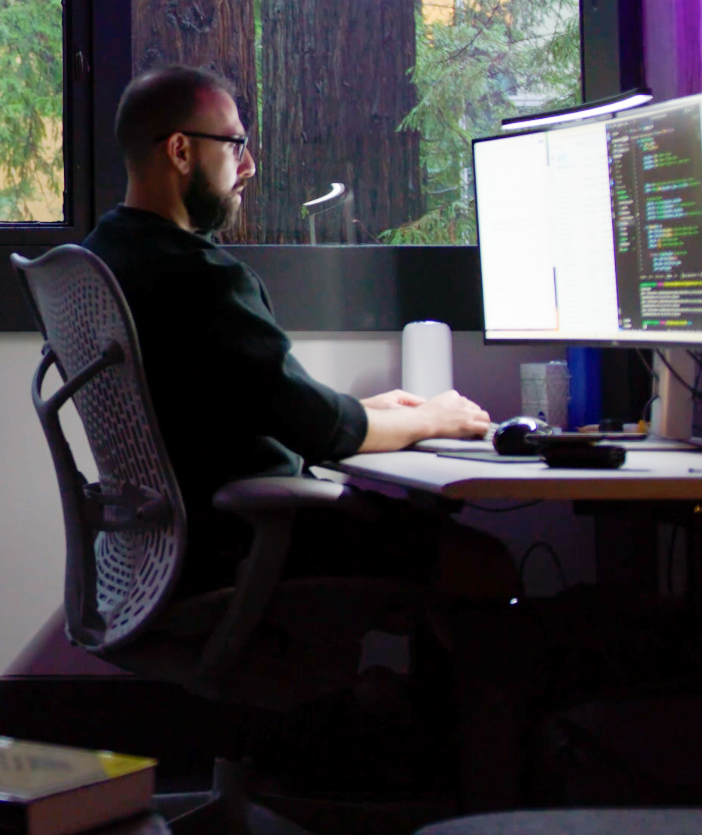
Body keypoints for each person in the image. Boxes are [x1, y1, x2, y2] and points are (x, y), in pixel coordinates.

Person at [83, 64, 499, 596]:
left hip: (168, 546)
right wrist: (434, 418)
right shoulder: (200, 279)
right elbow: (314, 430)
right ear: (181, 151)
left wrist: (374, 411)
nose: (249, 165)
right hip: (247, 543)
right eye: (235, 145)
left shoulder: (108, 253)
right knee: (480, 562)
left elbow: (259, 403)